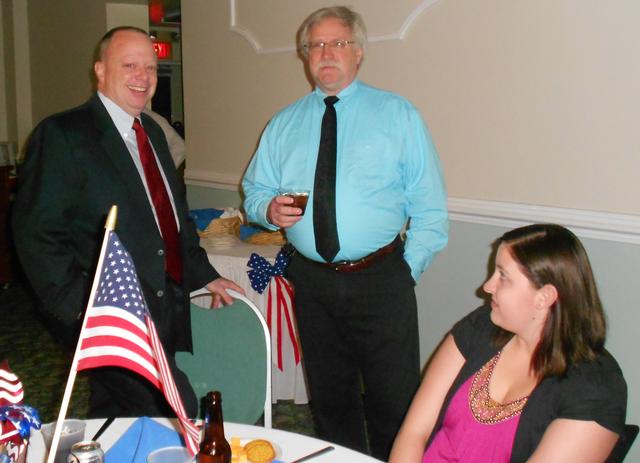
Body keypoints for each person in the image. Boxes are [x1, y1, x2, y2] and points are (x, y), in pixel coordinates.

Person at [242, 6, 448, 459]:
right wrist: (266, 208)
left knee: (394, 402)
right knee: (330, 402)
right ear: (305, 57)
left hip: (381, 279)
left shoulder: (398, 115)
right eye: (316, 45)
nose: (326, 53)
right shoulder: (284, 124)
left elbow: (430, 209)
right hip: (312, 281)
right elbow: (254, 191)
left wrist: (403, 273)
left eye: (337, 43)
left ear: (358, 53)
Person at [12, 26, 242, 419]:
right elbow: (36, 234)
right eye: (130, 65)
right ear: (100, 71)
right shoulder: (63, 134)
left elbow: (171, 217)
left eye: (151, 67)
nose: (143, 76)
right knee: (176, 409)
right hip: (111, 316)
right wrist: (81, 312)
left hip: (163, 304)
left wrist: (203, 274)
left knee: (117, 418)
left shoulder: (151, 130)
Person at [389, 224, 627, 463]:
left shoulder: (595, 390)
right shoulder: (480, 327)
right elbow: (414, 432)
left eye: (502, 276)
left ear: (544, 297)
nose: (488, 286)